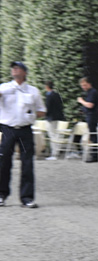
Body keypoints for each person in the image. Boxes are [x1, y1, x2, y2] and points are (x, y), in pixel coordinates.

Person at [0, 61, 46, 207]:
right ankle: (1, 194)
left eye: (18, 68)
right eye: (13, 68)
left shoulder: (33, 91)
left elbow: (42, 110)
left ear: (24, 72)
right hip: (8, 129)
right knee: (3, 162)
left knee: (27, 163)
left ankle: (27, 198)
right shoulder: (4, 88)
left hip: (25, 130)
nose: (14, 70)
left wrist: (31, 115)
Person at [76, 76, 98, 162]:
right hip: (91, 115)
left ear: (89, 84)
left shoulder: (93, 92)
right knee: (92, 135)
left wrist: (81, 101)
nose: (83, 87)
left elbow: (90, 105)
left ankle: (94, 156)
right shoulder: (91, 92)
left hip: (92, 116)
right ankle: (94, 155)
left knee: (93, 135)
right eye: (82, 86)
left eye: (85, 85)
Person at [43, 80, 65, 159]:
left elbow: (47, 108)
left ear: (47, 87)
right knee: (56, 134)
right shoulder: (57, 94)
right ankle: (57, 151)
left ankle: (54, 153)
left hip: (51, 118)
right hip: (58, 117)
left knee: (52, 135)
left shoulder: (48, 95)